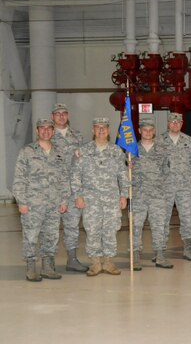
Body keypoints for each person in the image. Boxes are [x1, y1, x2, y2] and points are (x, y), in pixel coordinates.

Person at [13, 117, 70, 281]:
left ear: (53, 131)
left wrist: (64, 200)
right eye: (42, 128)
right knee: (31, 236)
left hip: (54, 203)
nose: (45, 131)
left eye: (49, 128)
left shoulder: (59, 152)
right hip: (33, 204)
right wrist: (22, 202)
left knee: (51, 236)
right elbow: (19, 178)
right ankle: (31, 268)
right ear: (37, 131)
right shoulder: (27, 151)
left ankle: (47, 267)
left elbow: (64, 178)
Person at [71, 118, 129, 276]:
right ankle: (95, 263)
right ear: (92, 130)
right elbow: (75, 175)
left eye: (104, 127)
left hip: (111, 199)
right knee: (92, 230)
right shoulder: (83, 151)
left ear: (109, 131)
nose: (101, 130)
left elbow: (123, 175)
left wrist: (124, 195)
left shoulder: (116, 151)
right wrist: (78, 196)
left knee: (111, 230)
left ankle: (109, 262)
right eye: (97, 127)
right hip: (91, 199)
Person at [50, 102, 88, 272]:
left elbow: (82, 163)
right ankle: (48, 260)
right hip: (53, 189)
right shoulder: (47, 135)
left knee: (72, 225)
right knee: (50, 226)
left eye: (64, 113)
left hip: (73, 189)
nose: (61, 116)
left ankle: (72, 259)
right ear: (53, 117)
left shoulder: (77, 136)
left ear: (68, 116)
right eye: (57, 114)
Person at [131, 118, 173, 270]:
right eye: (144, 130)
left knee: (159, 226)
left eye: (150, 130)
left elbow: (167, 173)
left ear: (154, 131)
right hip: (138, 195)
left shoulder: (162, 150)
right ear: (139, 131)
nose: (148, 132)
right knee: (136, 226)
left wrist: (164, 193)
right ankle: (135, 256)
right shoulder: (132, 150)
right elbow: (124, 173)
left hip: (157, 195)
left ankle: (160, 255)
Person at [160, 112, 191, 261]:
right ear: (168, 123)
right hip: (165, 187)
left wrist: (180, 172)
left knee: (187, 217)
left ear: (182, 124)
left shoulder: (189, 140)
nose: (175, 124)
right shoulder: (159, 140)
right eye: (172, 122)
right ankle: (160, 249)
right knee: (163, 218)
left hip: (183, 187)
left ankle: (188, 247)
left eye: (178, 122)